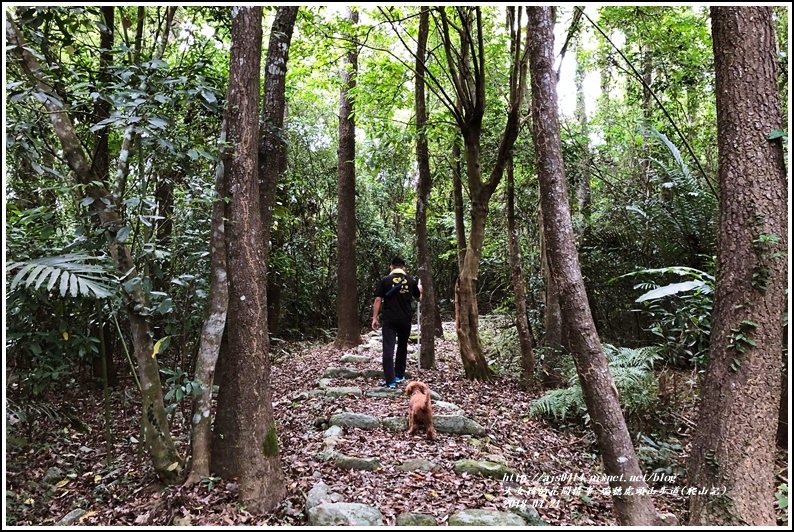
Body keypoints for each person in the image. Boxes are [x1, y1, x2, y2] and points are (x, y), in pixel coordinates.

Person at [371, 256, 421, 388]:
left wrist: (375, 318)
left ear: (391, 267)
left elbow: (378, 300)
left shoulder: (385, 280)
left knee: (388, 348)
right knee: (402, 347)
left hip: (389, 319)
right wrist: (420, 289)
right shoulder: (411, 281)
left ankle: (391, 381)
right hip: (405, 319)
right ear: (404, 268)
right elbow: (419, 298)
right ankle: (399, 374)